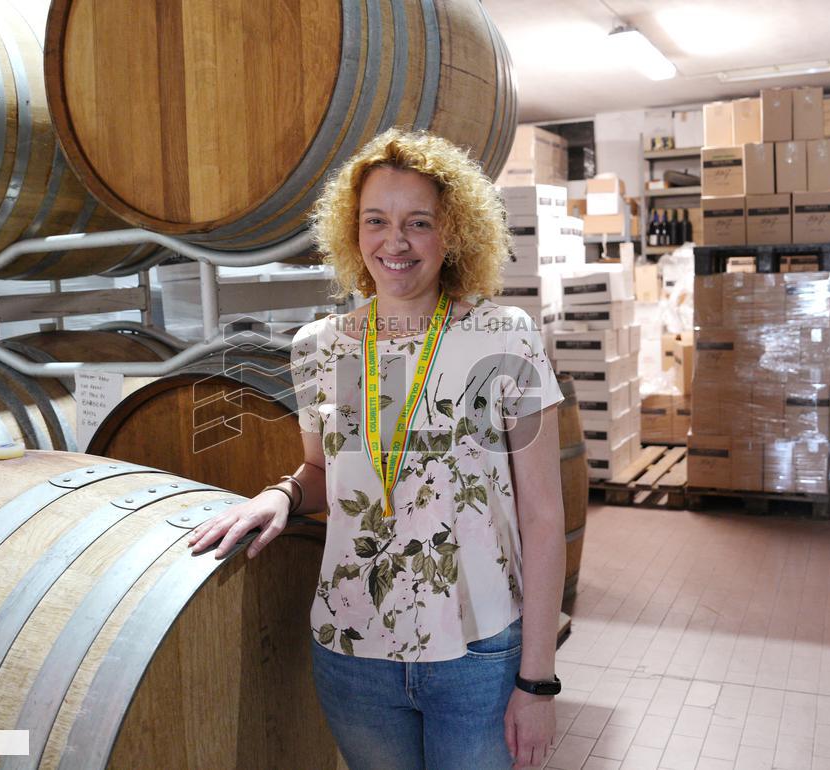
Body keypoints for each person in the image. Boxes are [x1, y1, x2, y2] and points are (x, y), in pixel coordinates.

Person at [187, 127, 566, 770]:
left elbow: (544, 516)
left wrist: (537, 681)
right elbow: (320, 470)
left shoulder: (506, 339)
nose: (396, 242)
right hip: (352, 645)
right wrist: (280, 496)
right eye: (376, 221)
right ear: (351, 232)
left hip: (478, 652)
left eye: (420, 221)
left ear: (454, 232)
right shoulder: (318, 347)